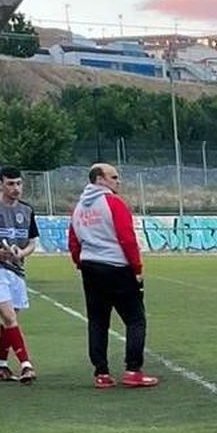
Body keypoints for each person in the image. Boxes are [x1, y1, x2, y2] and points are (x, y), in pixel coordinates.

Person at [66, 164, 160, 389]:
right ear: (100, 179)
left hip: (90, 267)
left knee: (97, 320)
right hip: (117, 266)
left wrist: (81, 263)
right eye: (114, 177)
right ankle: (133, 370)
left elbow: (73, 241)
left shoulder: (78, 208)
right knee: (135, 319)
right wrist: (137, 268)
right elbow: (127, 237)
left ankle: (101, 373)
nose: (118, 181)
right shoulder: (113, 203)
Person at [0, 167, 41, 383]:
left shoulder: (27, 210)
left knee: (8, 319)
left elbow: (32, 242)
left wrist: (21, 253)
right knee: (9, 317)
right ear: (1, 184)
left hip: (16, 270)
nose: (16, 188)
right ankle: (26, 365)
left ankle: (1, 366)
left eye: (19, 183)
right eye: (10, 184)